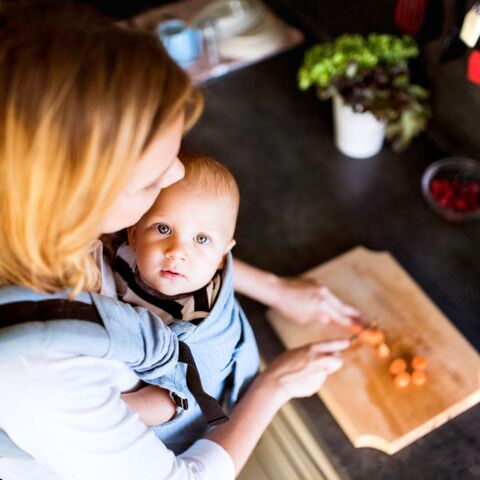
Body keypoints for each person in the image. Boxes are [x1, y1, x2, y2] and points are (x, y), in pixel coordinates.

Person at [0, 4, 357, 480]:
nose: (176, 175)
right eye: (150, 183)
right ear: (74, 198)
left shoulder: (39, 217)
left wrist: (273, 287)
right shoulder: (39, 374)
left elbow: (167, 246)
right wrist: (275, 384)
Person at [109, 152, 259, 453]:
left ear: (221, 257)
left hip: (159, 419)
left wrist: (104, 406)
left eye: (201, 239)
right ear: (134, 232)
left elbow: (171, 400)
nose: (177, 251)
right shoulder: (118, 250)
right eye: (163, 228)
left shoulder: (194, 322)